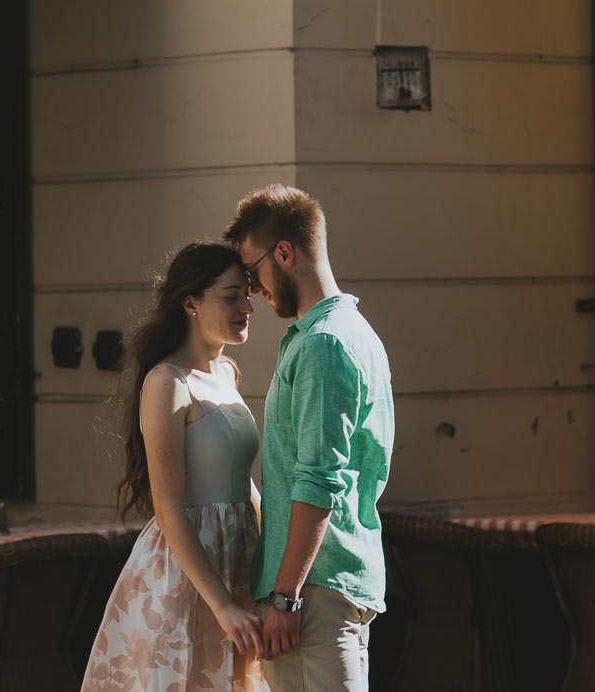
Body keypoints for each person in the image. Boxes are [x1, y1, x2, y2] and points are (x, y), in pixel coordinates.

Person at [223, 185, 394, 692]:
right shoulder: (351, 330)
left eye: (252, 273)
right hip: (331, 583)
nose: (253, 289)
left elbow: (319, 479)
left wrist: (285, 598)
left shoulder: (323, 344)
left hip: (311, 593)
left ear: (284, 252)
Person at [83, 242, 270, 691]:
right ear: (191, 302)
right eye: (230, 296)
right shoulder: (166, 381)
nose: (247, 306)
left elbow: (245, 483)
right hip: (188, 570)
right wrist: (222, 604)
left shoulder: (227, 373)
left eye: (246, 294)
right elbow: (168, 507)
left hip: (239, 556)